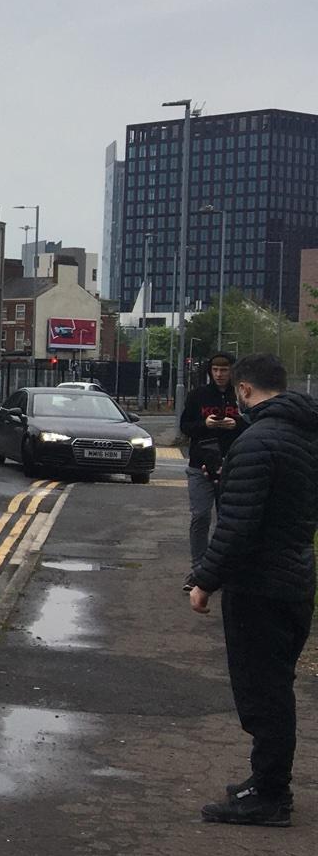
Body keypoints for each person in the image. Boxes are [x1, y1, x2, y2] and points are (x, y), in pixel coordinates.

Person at [186, 354, 318, 826]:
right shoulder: (307, 435)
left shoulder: (255, 441)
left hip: (259, 587)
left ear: (243, 390)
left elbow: (237, 526)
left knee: (263, 697)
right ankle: (264, 781)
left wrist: (204, 580)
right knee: (275, 688)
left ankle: (270, 796)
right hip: (296, 580)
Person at [178, 353, 244, 566]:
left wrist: (236, 424)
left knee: (228, 521)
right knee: (201, 516)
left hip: (234, 467)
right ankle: (199, 567)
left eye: (224, 370)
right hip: (200, 465)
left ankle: (223, 568)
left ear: (232, 371)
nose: (219, 374)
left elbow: (256, 424)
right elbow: (185, 427)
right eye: (215, 370)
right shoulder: (198, 395)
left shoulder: (242, 395)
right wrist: (205, 424)